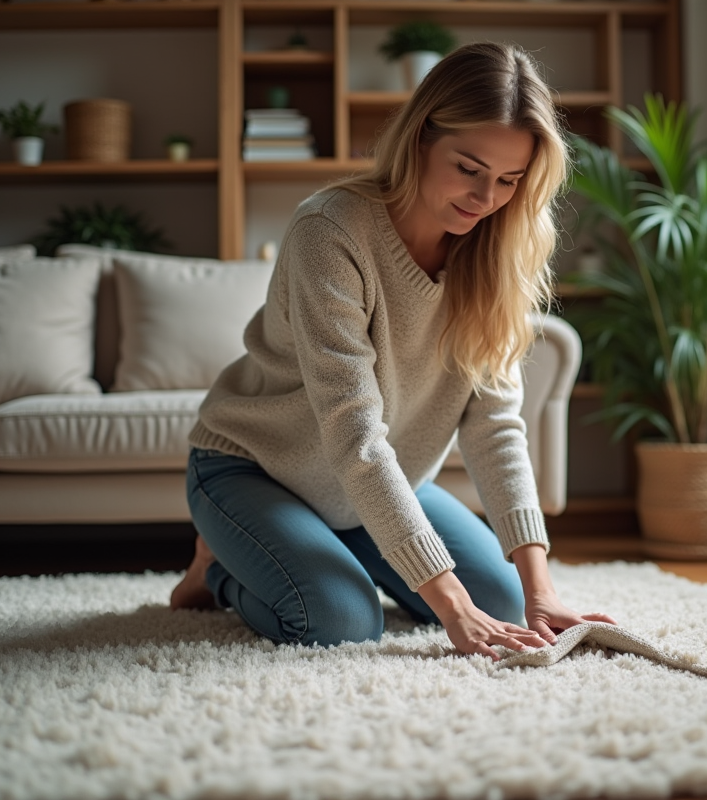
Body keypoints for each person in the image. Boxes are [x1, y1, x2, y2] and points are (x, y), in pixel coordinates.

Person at [170, 41, 615, 660]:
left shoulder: (495, 251)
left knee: (503, 601)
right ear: (420, 138)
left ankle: (324, 550)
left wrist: (540, 591)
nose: (486, 198)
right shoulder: (330, 232)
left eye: (509, 180)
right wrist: (450, 605)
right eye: (469, 168)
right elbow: (354, 433)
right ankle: (217, 569)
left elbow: (495, 427)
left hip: (372, 488)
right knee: (341, 620)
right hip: (253, 468)